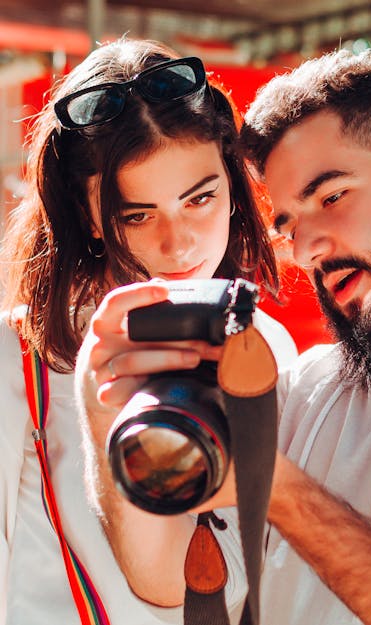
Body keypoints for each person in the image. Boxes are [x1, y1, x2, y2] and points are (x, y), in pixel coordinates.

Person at [75, 44, 371, 625]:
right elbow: (174, 582)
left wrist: (274, 487)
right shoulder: (306, 385)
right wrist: (104, 405)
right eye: (289, 223)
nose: (304, 249)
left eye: (331, 197)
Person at [0, 37, 297, 625]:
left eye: (200, 198)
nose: (179, 243)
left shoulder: (266, 347)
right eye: (136, 214)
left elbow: (241, 581)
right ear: (88, 217)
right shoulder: (19, 359)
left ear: (234, 189)